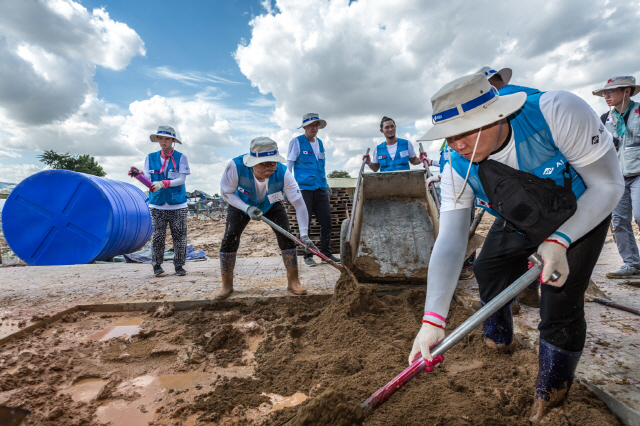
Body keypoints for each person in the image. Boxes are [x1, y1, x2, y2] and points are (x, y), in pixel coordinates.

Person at [411, 73, 623, 422]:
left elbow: (608, 184)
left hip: (580, 208)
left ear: (495, 115)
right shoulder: (455, 167)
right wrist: (432, 319)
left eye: (465, 130)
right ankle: (498, 336)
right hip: (521, 212)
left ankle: (551, 392)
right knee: (487, 267)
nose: (456, 144)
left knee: (560, 296)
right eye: (449, 135)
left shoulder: (557, 113)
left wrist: (560, 240)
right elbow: (451, 239)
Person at [218, 137, 317, 299]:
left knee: (287, 236)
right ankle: (226, 284)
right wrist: (247, 208)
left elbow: (299, 204)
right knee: (230, 237)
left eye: (272, 165)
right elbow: (226, 192)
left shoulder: (283, 173)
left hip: (271, 203)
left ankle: (293, 281)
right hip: (241, 204)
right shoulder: (235, 167)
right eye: (262, 165)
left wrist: (304, 235)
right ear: (251, 162)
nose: (268, 170)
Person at [593, 76, 640, 277]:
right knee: (619, 220)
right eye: (604, 93)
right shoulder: (604, 119)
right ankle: (632, 264)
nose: (607, 96)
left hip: (638, 174)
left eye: (611, 92)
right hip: (617, 178)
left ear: (627, 91)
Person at [287, 113, 339, 266]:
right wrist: (287, 187)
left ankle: (326, 254)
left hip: (320, 187)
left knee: (326, 222)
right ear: (304, 127)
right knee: (306, 222)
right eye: (310, 125)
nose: (314, 128)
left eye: (316, 125)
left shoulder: (320, 143)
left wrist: (326, 184)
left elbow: (320, 166)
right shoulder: (297, 142)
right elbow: (289, 164)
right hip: (304, 188)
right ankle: (307, 255)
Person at [143, 126, 191, 276]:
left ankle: (179, 265)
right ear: (157, 140)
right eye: (161, 138)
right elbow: (147, 178)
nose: (164, 141)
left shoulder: (181, 158)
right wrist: (141, 178)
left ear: (173, 141)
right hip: (157, 204)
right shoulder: (150, 158)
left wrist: (163, 183)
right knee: (157, 237)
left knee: (180, 236)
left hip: (178, 204)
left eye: (167, 138)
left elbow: (181, 179)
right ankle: (157, 265)